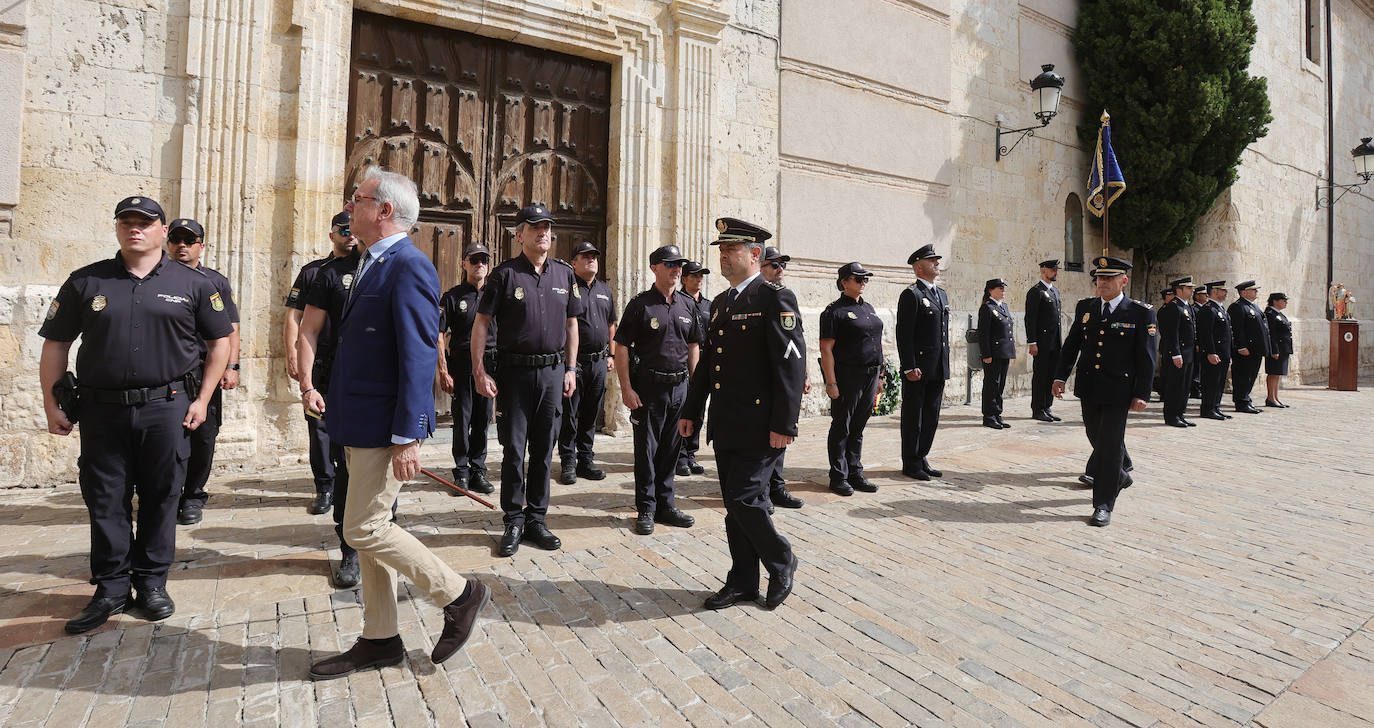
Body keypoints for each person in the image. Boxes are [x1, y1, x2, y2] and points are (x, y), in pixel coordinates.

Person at [305, 167, 487, 680]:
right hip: (359, 419)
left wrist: (409, 433)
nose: (349, 206)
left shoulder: (408, 266)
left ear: (383, 211)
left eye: (357, 199)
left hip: (386, 426)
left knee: (362, 526)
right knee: (366, 529)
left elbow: (417, 352)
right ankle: (380, 637)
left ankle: (459, 593)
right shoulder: (369, 261)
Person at [39, 195, 233, 634]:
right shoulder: (87, 282)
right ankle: (109, 587)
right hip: (102, 411)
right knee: (105, 499)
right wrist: (51, 403)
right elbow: (56, 343)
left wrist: (202, 400)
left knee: (162, 495)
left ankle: (151, 583)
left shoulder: (194, 284)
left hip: (166, 408)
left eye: (145, 223)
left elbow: (221, 341)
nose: (135, 229)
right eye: (126, 222)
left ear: (163, 231)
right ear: (117, 229)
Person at [679, 217, 804, 611]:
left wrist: (784, 424)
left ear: (754, 254)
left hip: (761, 424)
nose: (724, 257)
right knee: (735, 505)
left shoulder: (774, 298)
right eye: (721, 250)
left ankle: (781, 559)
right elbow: (708, 366)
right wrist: (692, 411)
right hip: (727, 422)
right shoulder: (720, 304)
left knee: (745, 499)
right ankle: (743, 580)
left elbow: (791, 365)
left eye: (731, 250)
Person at [472, 205, 584, 557]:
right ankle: (514, 519)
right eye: (535, 228)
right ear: (519, 234)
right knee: (514, 450)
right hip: (515, 374)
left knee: (544, 449)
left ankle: (537, 518)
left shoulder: (565, 275)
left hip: (552, 373)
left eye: (547, 228)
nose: (543, 233)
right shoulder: (505, 275)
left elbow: (572, 325)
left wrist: (570, 369)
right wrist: (479, 371)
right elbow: (481, 324)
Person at [1053, 256, 1158, 527]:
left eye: (1109, 278)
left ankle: (1103, 505)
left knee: (1110, 446)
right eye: (1100, 278)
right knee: (1095, 437)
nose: (1103, 283)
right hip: (1089, 386)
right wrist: (1059, 376)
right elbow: (1072, 345)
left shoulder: (1139, 312)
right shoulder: (1086, 308)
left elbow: (1146, 357)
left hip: (1119, 390)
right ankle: (1119, 476)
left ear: (1123, 280)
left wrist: (1142, 393)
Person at [296, 213, 365, 588]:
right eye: (345, 227)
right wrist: (307, 384)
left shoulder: (391, 267)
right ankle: (350, 550)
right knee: (346, 468)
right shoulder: (325, 274)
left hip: (377, 387)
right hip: (335, 381)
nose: (352, 233)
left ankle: (382, 540)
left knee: (380, 466)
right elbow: (307, 328)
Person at [614, 244, 702, 535]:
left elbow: (693, 346)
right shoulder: (641, 304)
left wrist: (694, 387)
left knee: (671, 452)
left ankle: (667, 505)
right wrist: (626, 388)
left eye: (679, 265)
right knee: (647, 453)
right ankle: (647, 508)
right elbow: (621, 346)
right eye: (670, 264)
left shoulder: (687, 305)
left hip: (679, 388)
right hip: (649, 389)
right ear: (654, 268)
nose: (677, 269)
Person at [161, 218, 241, 526]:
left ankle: (192, 495)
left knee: (204, 436)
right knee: (166, 435)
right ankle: (166, 495)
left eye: (189, 240)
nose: (182, 245)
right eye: (176, 239)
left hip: (203, 370)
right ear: (168, 243)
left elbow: (230, 328)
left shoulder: (214, 281)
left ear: (201, 246)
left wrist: (232, 365)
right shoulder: (155, 279)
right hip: (167, 371)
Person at [285, 211, 355, 515]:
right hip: (320, 361)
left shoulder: (366, 269)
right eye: (343, 230)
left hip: (350, 362)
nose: (349, 235)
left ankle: (346, 484)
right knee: (318, 428)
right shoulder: (314, 272)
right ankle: (325, 486)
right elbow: (293, 316)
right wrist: (293, 354)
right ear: (332, 235)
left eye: (353, 229)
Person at [437, 243, 497, 496]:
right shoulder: (452, 297)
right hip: (461, 364)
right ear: (464, 264)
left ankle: (478, 470)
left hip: (490, 363)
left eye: (483, 260)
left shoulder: (496, 296)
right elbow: (438, 335)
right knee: (462, 420)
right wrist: (442, 370)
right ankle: (461, 471)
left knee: (483, 419)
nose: (479, 265)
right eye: (474, 260)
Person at [818, 262, 882, 495]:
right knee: (842, 426)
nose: (863, 282)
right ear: (844, 282)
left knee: (858, 427)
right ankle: (838, 476)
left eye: (866, 279)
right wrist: (831, 382)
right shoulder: (834, 312)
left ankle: (855, 472)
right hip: (847, 376)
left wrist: (880, 375)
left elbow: (876, 343)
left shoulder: (869, 308)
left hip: (870, 374)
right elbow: (826, 350)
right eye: (858, 279)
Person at [558, 241, 616, 486]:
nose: (591, 260)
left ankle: (586, 459)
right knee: (570, 414)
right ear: (574, 262)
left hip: (599, 362)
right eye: (585, 256)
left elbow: (612, 323)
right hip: (575, 363)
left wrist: (611, 355)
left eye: (594, 256)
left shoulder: (605, 290)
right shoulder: (567, 288)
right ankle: (568, 462)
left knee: (591, 413)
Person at [895, 244, 951, 480]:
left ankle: (922, 456)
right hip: (918, 368)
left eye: (937, 260)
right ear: (919, 268)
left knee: (931, 415)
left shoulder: (941, 294)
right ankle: (911, 462)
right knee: (914, 417)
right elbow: (904, 334)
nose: (937, 263)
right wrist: (909, 365)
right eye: (932, 260)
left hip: (937, 366)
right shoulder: (912, 294)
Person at [757, 246, 806, 510]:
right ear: (761, 267)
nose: (780, 270)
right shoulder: (756, 297)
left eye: (782, 265)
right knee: (768, 437)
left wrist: (804, 374)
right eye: (773, 265)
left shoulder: (785, 296)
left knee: (781, 434)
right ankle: (764, 489)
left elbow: (795, 342)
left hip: (784, 379)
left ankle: (776, 487)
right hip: (765, 380)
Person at [676, 260, 712, 477]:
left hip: (704, 366)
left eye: (701, 276)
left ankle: (691, 453)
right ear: (684, 278)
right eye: (694, 275)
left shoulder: (708, 305)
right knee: (683, 413)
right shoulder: (678, 302)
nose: (699, 279)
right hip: (682, 365)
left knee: (698, 412)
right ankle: (679, 456)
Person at [1156, 276, 1198, 428]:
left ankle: (1180, 413)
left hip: (1188, 353)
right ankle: (1171, 416)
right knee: (1175, 386)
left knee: (1185, 386)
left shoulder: (1187, 307)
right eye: (1189, 288)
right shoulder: (1173, 307)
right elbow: (1171, 333)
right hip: (1178, 353)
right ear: (1179, 290)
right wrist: (1176, 353)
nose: (1192, 290)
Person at [1024, 259, 1062, 422]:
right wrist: (1032, 341)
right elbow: (1030, 318)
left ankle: (1047, 406)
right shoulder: (1036, 291)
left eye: (1056, 270)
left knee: (1051, 375)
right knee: (1040, 376)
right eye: (1052, 270)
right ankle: (1038, 408)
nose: (1055, 272)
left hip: (1054, 342)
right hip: (1041, 342)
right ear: (1043, 271)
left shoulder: (1055, 292)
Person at [1227, 280, 1271, 414]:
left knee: (1251, 376)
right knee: (1243, 376)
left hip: (1256, 349)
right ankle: (1241, 402)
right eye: (1253, 290)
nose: (1256, 292)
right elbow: (1237, 329)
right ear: (1244, 292)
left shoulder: (1253, 307)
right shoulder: (1238, 307)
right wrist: (1240, 346)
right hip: (1245, 350)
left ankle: (1246, 399)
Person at [977, 278, 1015, 429]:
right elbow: (983, 333)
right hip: (993, 353)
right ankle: (989, 416)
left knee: (1000, 385)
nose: (1002, 291)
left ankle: (997, 413)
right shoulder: (987, 308)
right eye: (999, 288)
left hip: (1004, 352)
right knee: (991, 384)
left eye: (1003, 288)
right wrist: (986, 354)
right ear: (990, 290)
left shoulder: (1003, 306)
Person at [1196, 280, 1233, 420]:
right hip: (1214, 353)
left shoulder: (1221, 309)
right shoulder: (1208, 309)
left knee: (1219, 382)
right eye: (1222, 290)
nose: (1225, 293)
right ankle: (1207, 409)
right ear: (1214, 291)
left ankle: (1216, 406)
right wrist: (1210, 352)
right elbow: (1206, 334)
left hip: (1223, 353)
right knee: (1211, 382)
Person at [1264, 292, 1293, 408]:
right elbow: (1272, 334)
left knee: (1278, 374)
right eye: (1283, 300)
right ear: (1275, 301)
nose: (1285, 302)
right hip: (1277, 349)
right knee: (1273, 373)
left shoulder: (1279, 314)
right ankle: (1270, 398)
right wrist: (1274, 350)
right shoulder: (1270, 314)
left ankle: (1275, 397)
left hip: (1283, 348)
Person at [1189, 286, 1210, 399]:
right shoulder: (1194, 309)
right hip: (1196, 343)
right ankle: (1195, 389)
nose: (1206, 296)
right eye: (1204, 294)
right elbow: (1195, 328)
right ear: (1197, 296)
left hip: (1203, 343)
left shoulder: (1204, 308)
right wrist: (1197, 342)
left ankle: (1198, 387)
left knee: (1201, 365)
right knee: (1196, 366)